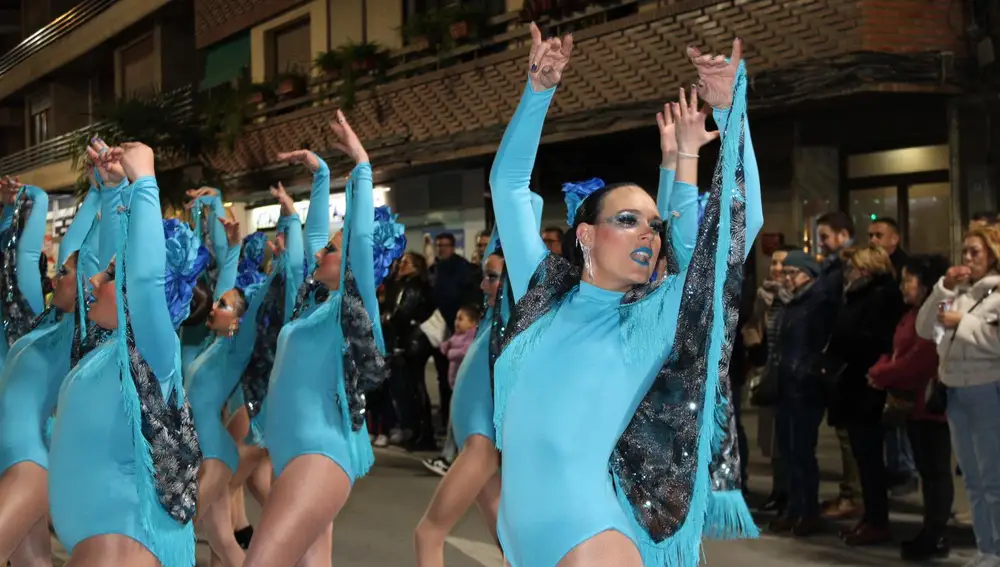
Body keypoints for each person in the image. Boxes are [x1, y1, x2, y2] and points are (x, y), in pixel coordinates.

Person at [488, 25, 760, 566]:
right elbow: (509, 186)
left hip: (592, 535)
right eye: (628, 220)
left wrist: (731, 112)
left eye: (654, 226)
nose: (646, 234)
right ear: (586, 234)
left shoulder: (658, 315)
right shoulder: (543, 292)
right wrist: (537, 91)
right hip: (520, 535)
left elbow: (738, 227)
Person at [242, 110, 395, 567]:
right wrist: (321, 176)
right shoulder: (314, 308)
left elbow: (359, 239)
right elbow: (311, 238)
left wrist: (361, 164)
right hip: (293, 456)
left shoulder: (350, 311)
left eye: (332, 248)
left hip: (318, 456)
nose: (322, 251)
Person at [49, 139, 204, 567]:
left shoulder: (155, 351)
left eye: (113, 274)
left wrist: (146, 182)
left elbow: (146, 279)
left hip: (122, 542)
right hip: (100, 541)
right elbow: (97, 256)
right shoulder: (107, 349)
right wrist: (114, 190)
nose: (96, 279)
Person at [415, 194, 544, 567]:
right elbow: (499, 246)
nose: (483, 284)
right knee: (513, 551)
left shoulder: (511, 316)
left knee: (427, 534)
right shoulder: (489, 319)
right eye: (484, 275)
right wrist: (502, 214)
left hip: (480, 446)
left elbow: (520, 243)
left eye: (491, 277)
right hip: (477, 446)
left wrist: (518, 199)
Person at [916, 225, 1000, 567]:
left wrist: (962, 322)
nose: (967, 258)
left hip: (986, 389)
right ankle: (986, 549)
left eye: (975, 252)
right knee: (973, 478)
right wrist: (942, 289)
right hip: (954, 391)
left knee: (992, 476)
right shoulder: (957, 292)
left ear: (993, 254)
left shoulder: (996, 295)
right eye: (964, 251)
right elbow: (925, 328)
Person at [867, 254, 951, 561]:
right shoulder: (914, 312)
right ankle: (931, 531)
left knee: (936, 473)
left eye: (908, 280)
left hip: (930, 403)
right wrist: (882, 367)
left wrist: (880, 373)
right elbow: (897, 351)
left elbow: (921, 360)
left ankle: (936, 533)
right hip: (913, 403)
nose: (903, 286)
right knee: (929, 472)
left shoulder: (935, 313)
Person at [825, 245, 904, 546]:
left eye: (853, 268)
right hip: (853, 386)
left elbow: (873, 341)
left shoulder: (880, 297)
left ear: (867, 269)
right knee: (863, 458)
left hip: (866, 387)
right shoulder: (859, 295)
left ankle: (877, 520)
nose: (848, 274)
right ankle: (871, 517)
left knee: (870, 460)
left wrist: (843, 350)